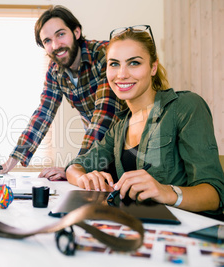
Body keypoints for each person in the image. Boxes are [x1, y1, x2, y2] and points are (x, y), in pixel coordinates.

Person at [65, 25, 224, 215]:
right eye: (114, 64)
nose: (122, 74)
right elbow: (75, 166)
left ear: (153, 67)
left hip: (186, 232)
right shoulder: (119, 126)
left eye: (134, 63)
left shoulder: (185, 106)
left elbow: (215, 195)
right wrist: (84, 178)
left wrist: (167, 191)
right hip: (140, 229)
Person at [0, 5, 126, 180]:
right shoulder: (54, 71)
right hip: (100, 151)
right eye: (47, 41)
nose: (56, 45)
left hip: (130, 146)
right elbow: (43, 114)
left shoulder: (104, 54)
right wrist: (8, 165)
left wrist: (74, 168)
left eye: (60, 34)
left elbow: (104, 115)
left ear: (76, 32)